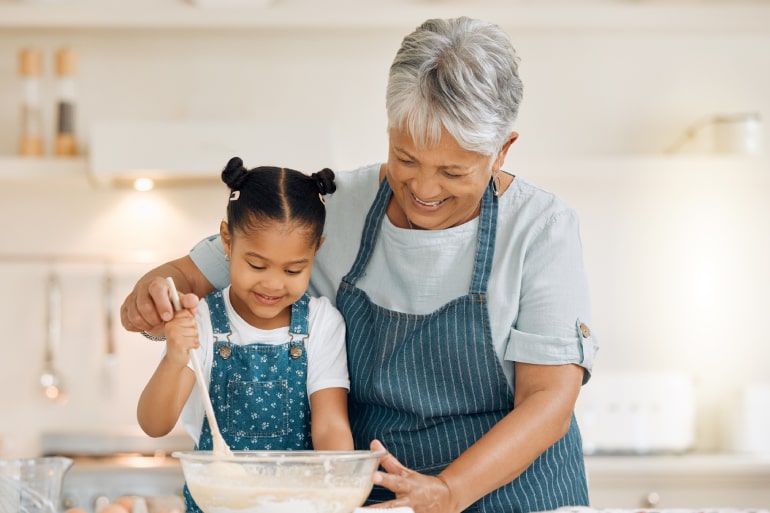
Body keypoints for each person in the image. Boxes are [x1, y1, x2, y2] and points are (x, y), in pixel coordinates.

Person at [122, 17, 598, 513]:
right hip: (376, 503)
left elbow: (548, 402)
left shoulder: (541, 227)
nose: (424, 190)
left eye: (453, 171)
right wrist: (152, 297)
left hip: (521, 500)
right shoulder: (336, 206)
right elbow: (190, 276)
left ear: (502, 151)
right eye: (405, 159)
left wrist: (450, 490)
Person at [135, 157, 354, 513]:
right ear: (227, 240)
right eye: (257, 265)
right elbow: (154, 424)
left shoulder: (321, 324)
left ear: (316, 251)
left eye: (293, 269)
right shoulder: (201, 319)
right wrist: (176, 356)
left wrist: (342, 489)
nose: (272, 283)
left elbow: (330, 427)